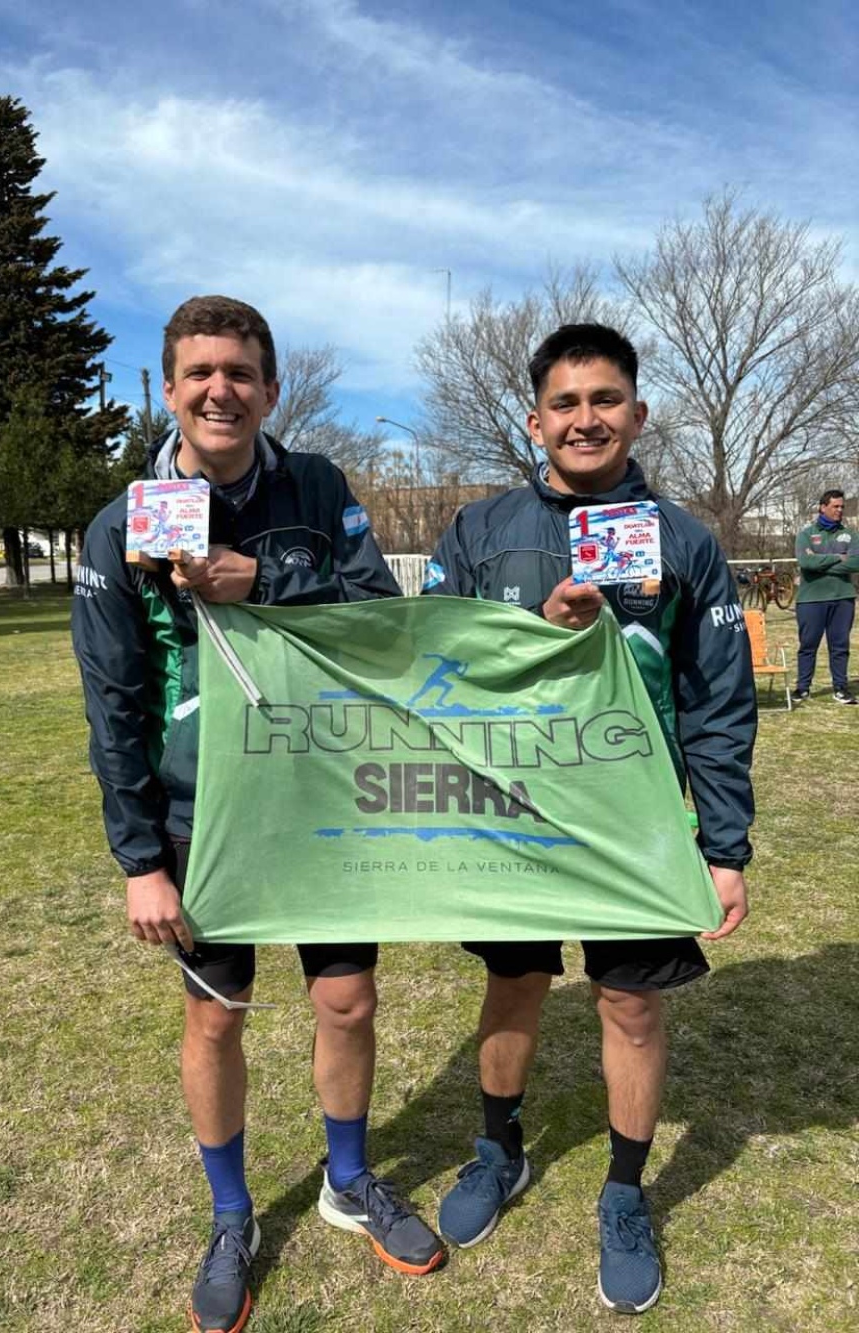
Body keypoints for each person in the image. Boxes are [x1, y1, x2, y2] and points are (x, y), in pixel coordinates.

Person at [71, 295, 443, 1333]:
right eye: (198, 373)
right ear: (173, 389)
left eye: (238, 372)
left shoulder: (317, 487)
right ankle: (231, 1215)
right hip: (202, 814)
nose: (219, 390)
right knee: (214, 1014)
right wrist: (141, 859)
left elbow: (382, 625)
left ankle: (348, 1178)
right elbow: (113, 701)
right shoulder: (121, 521)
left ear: (270, 389)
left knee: (348, 1001)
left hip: (321, 793)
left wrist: (268, 577)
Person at [422, 323, 756, 1315]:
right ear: (535, 420)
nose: (585, 419)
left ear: (636, 414)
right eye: (564, 403)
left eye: (604, 400)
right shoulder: (477, 533)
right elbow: (428, 669)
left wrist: (724, 846)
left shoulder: (684, 541)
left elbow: (718, 702)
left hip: (636, 824)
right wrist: (536, 640)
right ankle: (499, 1147)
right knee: (514, 984)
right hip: (510, 815)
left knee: (630, 1004)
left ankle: (622, 1191)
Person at [791, 490, 859, 705]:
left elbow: (856, 563)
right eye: (835, 506)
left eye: (841, 507)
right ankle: (802, 688)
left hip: (843, 598)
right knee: (808, 645)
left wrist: (820, 562)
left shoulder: (851, 535)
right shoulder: (806, 534)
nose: (839, 510)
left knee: (840, 645)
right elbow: (806, 563)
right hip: (811, 600)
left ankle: (840, 688)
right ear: (822, 507)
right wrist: (838, 558)